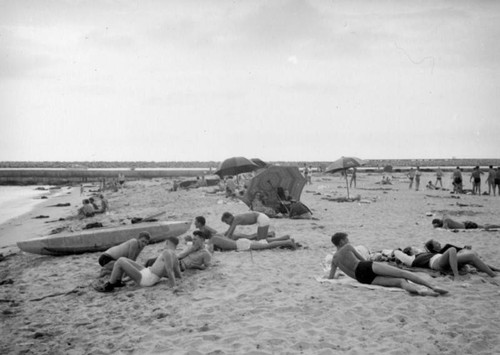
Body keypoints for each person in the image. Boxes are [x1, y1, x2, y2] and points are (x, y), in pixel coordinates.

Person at [328, 233, 448, 296]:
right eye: (347, 239)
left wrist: (339, 274)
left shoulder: (334, 260)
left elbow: (330, 278)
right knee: (402, 273)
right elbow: (363, 259)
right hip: (364, 266)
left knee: (400, 282)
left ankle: (419, 291)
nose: (349, 241)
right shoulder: (347, 247)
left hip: (361, 278)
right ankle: (433, 287)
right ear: (342, 241)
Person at [95, 236, 181, 292]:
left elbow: (170, 271)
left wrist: (174, 287)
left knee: (121, 260)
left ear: (167, 242)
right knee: (124, 259)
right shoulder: (175, 257)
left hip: (147, 279)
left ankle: (110, 285)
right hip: (148, 272)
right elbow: (178, 274)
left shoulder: (167, 252)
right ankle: (117, 281)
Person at [394, 239, 497, 280]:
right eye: (414, 248)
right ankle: (456, 276)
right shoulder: (412, 259)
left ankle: (493, 273)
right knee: (451, 249)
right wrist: (396, 251)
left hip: (445, 259)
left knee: (471, 257)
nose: (416, 248)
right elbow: (398, 253)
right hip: (436, 263)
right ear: (411, 252)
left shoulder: (425, 253)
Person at [145, 230, 211, 270]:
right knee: (150, 261)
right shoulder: (192, 247)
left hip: (180, 266)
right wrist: (191, 250)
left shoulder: (205, 253)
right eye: (193, 239)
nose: (193, 241)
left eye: (195, 239)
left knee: (154, 263)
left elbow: (207, 267)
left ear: (202, 239)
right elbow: (180, 256)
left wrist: (195, 266)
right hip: (176, 260)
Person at [208, 234, 298, 252]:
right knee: (263, 242)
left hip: (241, 245)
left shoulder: (212, 241)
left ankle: (287, 241)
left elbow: (210, 251)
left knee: (266, 246)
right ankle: (284, 238)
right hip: (240, 242)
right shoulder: (217, 236)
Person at [431, 216, 500, 230]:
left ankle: (498, 226)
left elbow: (445, 228)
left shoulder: (445, 220)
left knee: (485, 227)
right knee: (483, 225)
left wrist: (436, 227)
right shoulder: (444, 219)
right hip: (464, 223)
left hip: (466, 226)